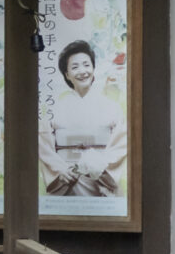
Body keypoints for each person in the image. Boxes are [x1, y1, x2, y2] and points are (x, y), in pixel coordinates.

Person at [42, 38, 127, 199]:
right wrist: (61, 170)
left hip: (99, 181)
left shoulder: (112, 107)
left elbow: (120, 145)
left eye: (87, 65)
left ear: (93, 68)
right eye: (75, 67)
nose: (82, 71)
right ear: (67, 74)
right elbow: (44, 146)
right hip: (66, 181)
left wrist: (99, 167)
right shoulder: (54, 109)